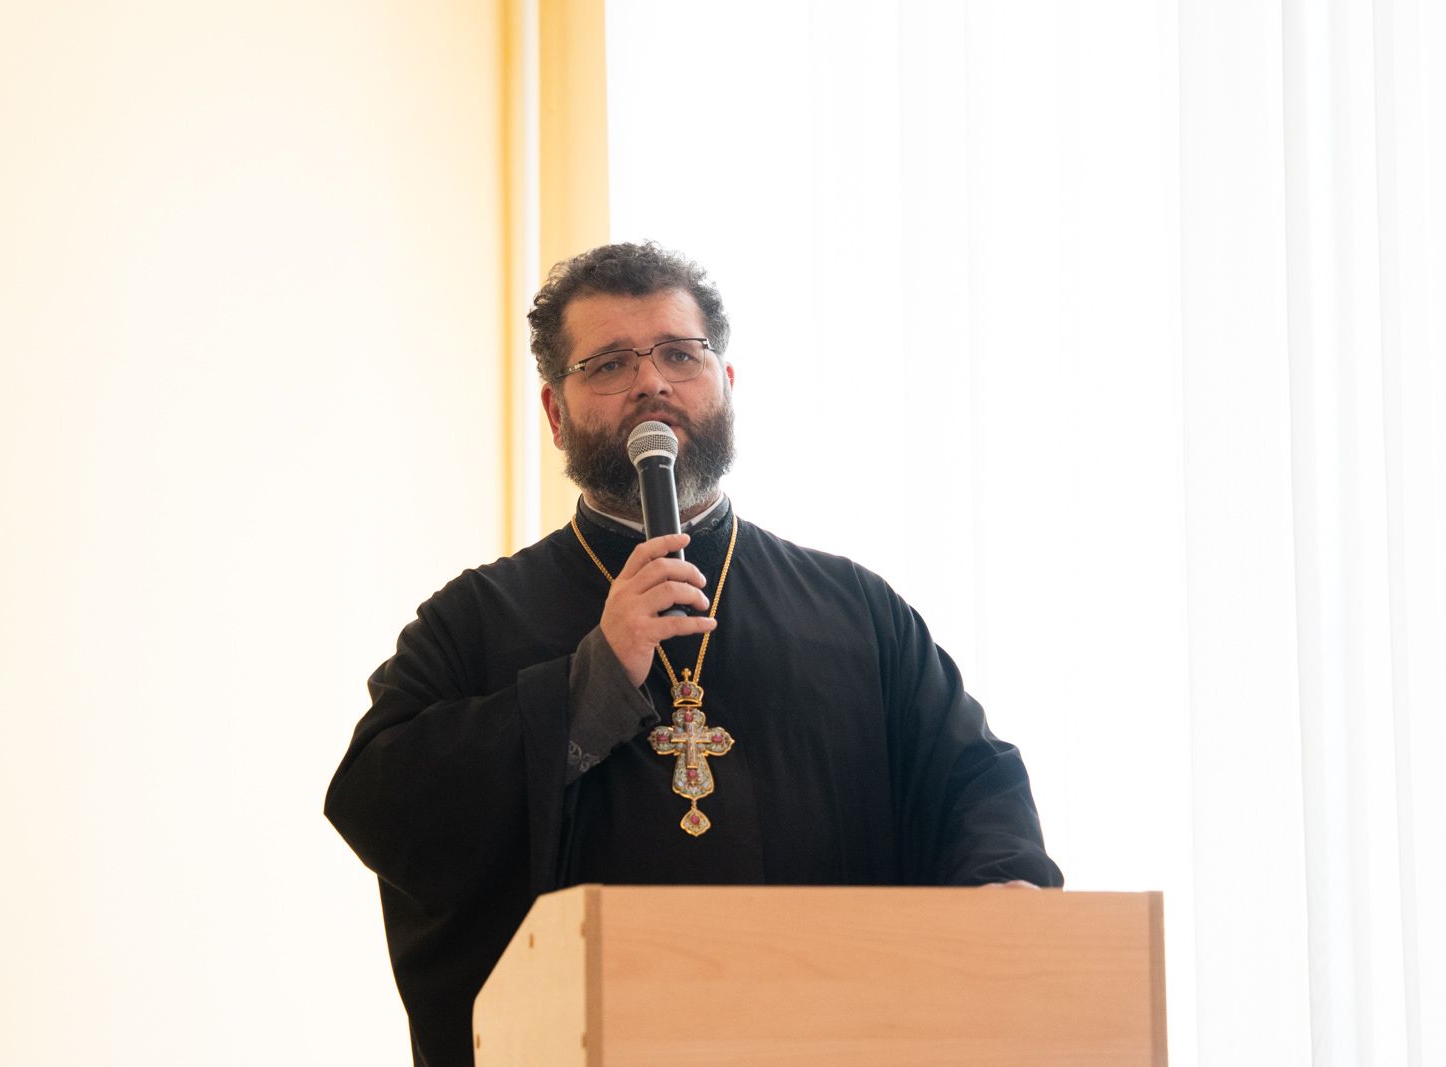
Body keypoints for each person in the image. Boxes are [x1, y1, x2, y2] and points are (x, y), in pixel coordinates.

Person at [326, 242, 1063, 1067]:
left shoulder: (856, 611)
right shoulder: (476, 618)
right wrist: (589, 684)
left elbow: (972, 782)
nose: (652, 382)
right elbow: (382, 799)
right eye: (610, 364)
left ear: (727, 384)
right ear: (555, 413)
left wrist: (1002, 886)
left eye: (681, 354)